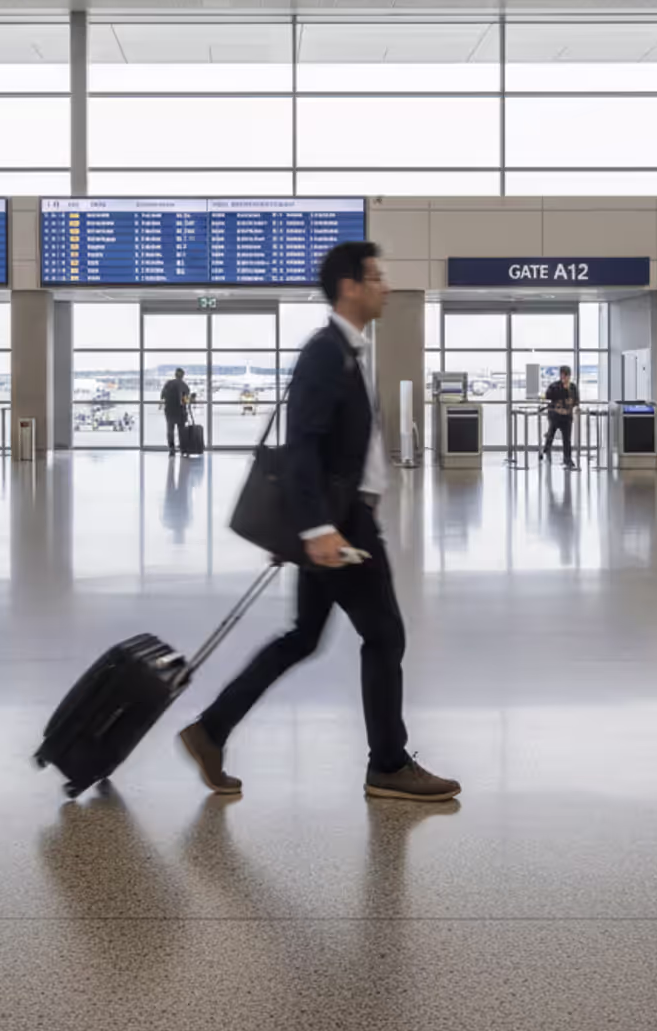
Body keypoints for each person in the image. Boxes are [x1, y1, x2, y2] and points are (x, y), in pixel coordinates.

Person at [180, 241, 459, 803]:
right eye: (377, 277)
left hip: (342, 518)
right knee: (384, 636)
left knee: (304, 637)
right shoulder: (326, 353)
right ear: (351, 286)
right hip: (341, 523)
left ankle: (211, 731)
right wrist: (315, 529)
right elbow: (301, 445)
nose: (385, 285)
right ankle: (388, 764)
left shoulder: (347, 350)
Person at [541, 364, 579, 469]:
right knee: (550, 434)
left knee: (567, 439)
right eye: (563, 376)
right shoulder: (554, 386)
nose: (564, 378)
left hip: (567, 417)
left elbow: (576, 401)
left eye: (566, 376)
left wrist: (569, 395)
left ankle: (567, 459)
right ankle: (546, 451)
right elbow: (548, 396)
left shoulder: (573, 387)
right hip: (555, 416)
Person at [160, 367, 191, 452]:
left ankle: (171, 448)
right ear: (182, 376)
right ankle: (183, 447)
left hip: (169, 411)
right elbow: (186, 400)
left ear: (175, 374)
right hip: (180, 411)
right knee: (181, 430)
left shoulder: (168, 383)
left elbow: (162, 395)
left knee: (170, 430)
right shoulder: (184, 386)